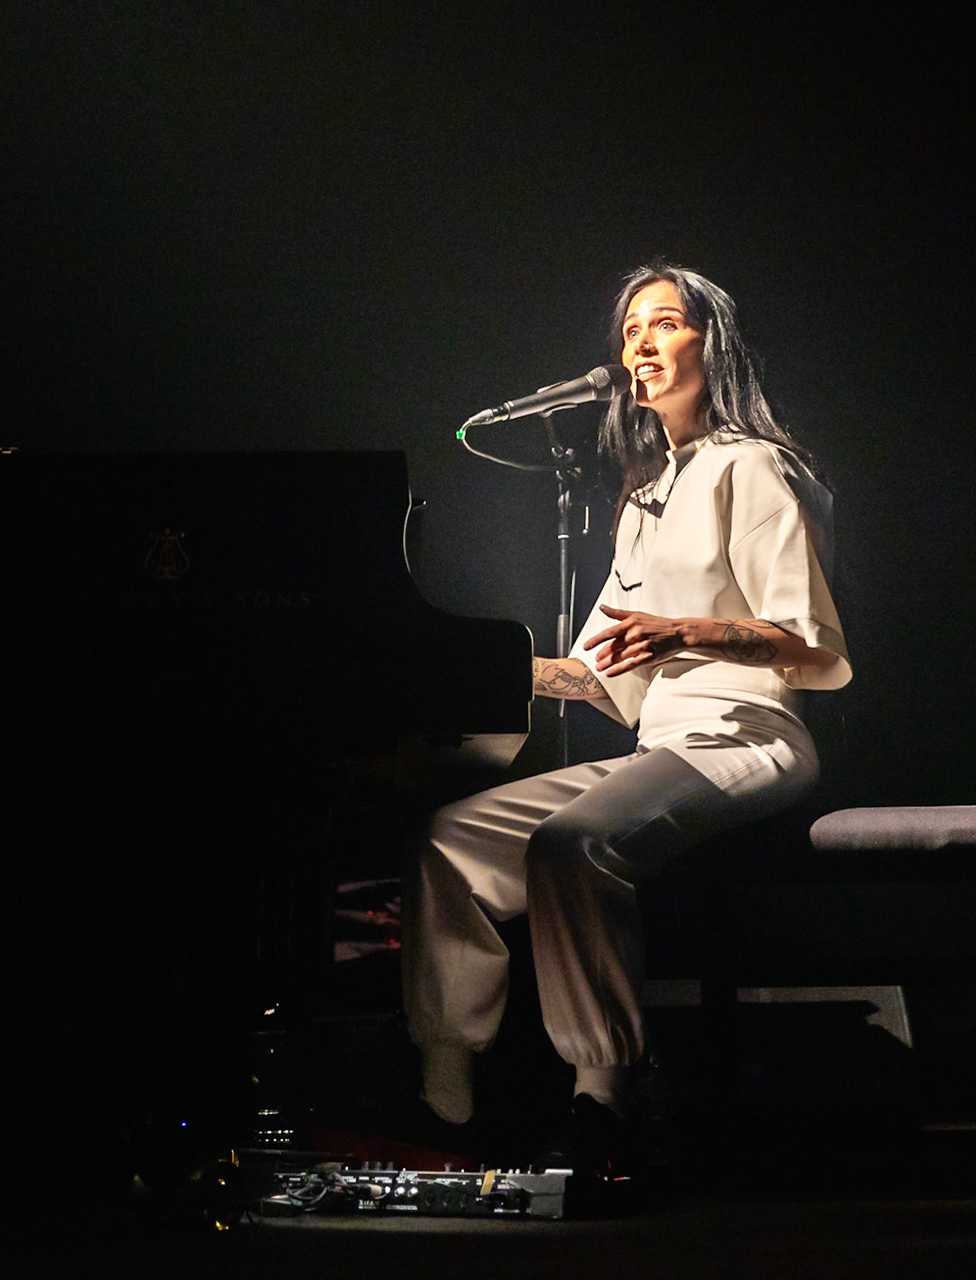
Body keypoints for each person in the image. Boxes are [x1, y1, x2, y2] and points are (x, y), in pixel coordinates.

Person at [400, 262, 852, 1170]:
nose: (639, 342)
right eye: (630, 327)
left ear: (710, 342)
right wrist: (471, 669)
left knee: (575, 843)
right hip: (663, 742)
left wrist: (690, 630)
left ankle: (603, 1092)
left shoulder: (752, 467)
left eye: (665, 322)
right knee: (454, 836)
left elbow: (810, 646)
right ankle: (444, 1078)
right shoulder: (642, 500)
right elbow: (603, 675)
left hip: (749, 734)